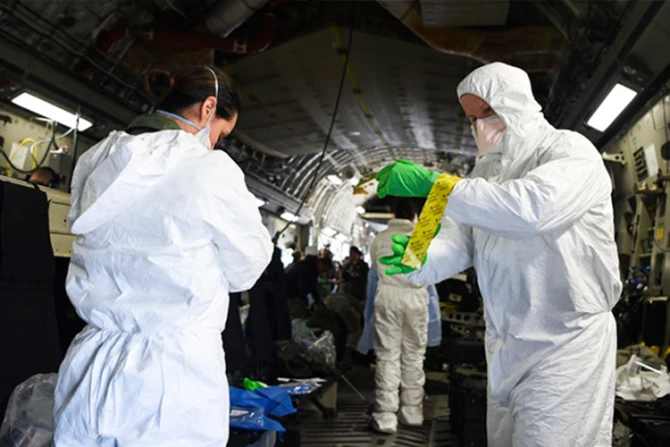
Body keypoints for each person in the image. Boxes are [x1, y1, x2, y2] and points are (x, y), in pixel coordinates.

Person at [376, 62, 621, 446]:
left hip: (566, 345)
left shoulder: (569, 151)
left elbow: (530, 209)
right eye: (472, 118)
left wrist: (434, 184)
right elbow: (459, 240)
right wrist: (419, 255)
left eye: (487, 111)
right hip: (507, 346)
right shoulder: (484, 173)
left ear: (515, 102)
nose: (480, 125)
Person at [53, 66, 273, 446]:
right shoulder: (210, 169)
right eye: (221, 134)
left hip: (90, 367)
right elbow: (246, 269)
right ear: (208, 108)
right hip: (172, 381)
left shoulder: (98, 158)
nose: (216, 144)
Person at [357, 197, 442, 433]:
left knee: (388, 356)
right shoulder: (423, 238)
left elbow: (375, 272)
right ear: (415, 215)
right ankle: (412, 412)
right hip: (416, 299)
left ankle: (386, 416)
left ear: (393, 213)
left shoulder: (380, 239)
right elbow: (432, 272)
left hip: (388, 297)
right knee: (414, 356)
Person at [285, 246, 333, 319]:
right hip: (289, 296)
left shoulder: (311, 268)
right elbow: (303, 287)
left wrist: (319, 303)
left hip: (291, 295)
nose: (322, 272)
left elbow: (313, 289)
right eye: (323, 269)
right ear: (320, 263)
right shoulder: (307, 268)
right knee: (301, 317)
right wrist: (307, 303)